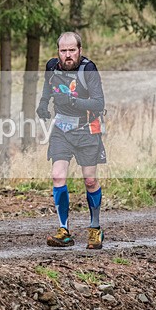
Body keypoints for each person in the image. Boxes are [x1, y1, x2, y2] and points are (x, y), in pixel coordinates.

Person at [36, 31, 106, 250]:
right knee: (58, 176)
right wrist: (43, 103)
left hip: (87, 129)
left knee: (89, 181)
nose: (67, 55)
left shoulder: (88, 69)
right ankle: (64, 231)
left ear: (80, 50)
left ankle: (95, 229)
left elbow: (98, 104)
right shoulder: (51, 66)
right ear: (58, 51)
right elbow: (48, 85)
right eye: (63, 51)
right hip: (62, 129)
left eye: (72, 51)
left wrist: (73, 101)